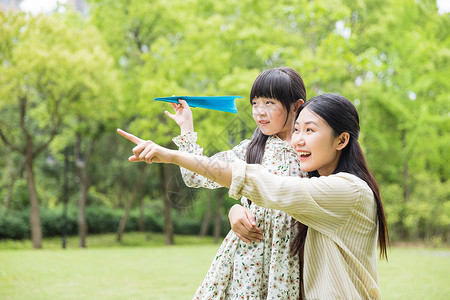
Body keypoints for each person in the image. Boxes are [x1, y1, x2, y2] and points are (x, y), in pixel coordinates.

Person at [117, 93, 390, 299]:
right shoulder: (315, 179)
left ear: (341, 140)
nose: (298, 140)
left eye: (310, 130)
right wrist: (236, 210)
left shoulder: (347, 191)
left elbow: (272, 188)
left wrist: (171, 155)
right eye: (297, 130)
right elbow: (269, 196)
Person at [163, 67, 308, 299]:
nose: (259, 112)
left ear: (296, 106)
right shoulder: (250, 149)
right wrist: (186, 127)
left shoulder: (310, 151)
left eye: (269, 103)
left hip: (288, 263)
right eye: (255, 103)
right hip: (246, 261)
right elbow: (196, 176)